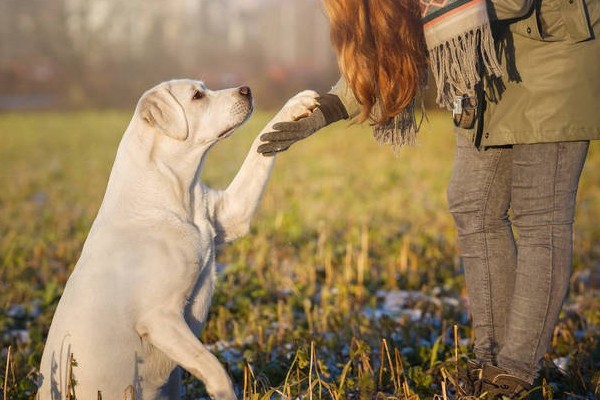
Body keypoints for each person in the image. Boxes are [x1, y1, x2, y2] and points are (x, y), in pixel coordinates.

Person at [257, 0, 600, 398]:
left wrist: (426, 14)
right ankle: (491, 361)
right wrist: (327, 109)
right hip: (485, 63)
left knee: (539, 216)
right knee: (473, 202)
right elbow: (399, 36)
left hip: (551, 49)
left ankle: (512, 374)